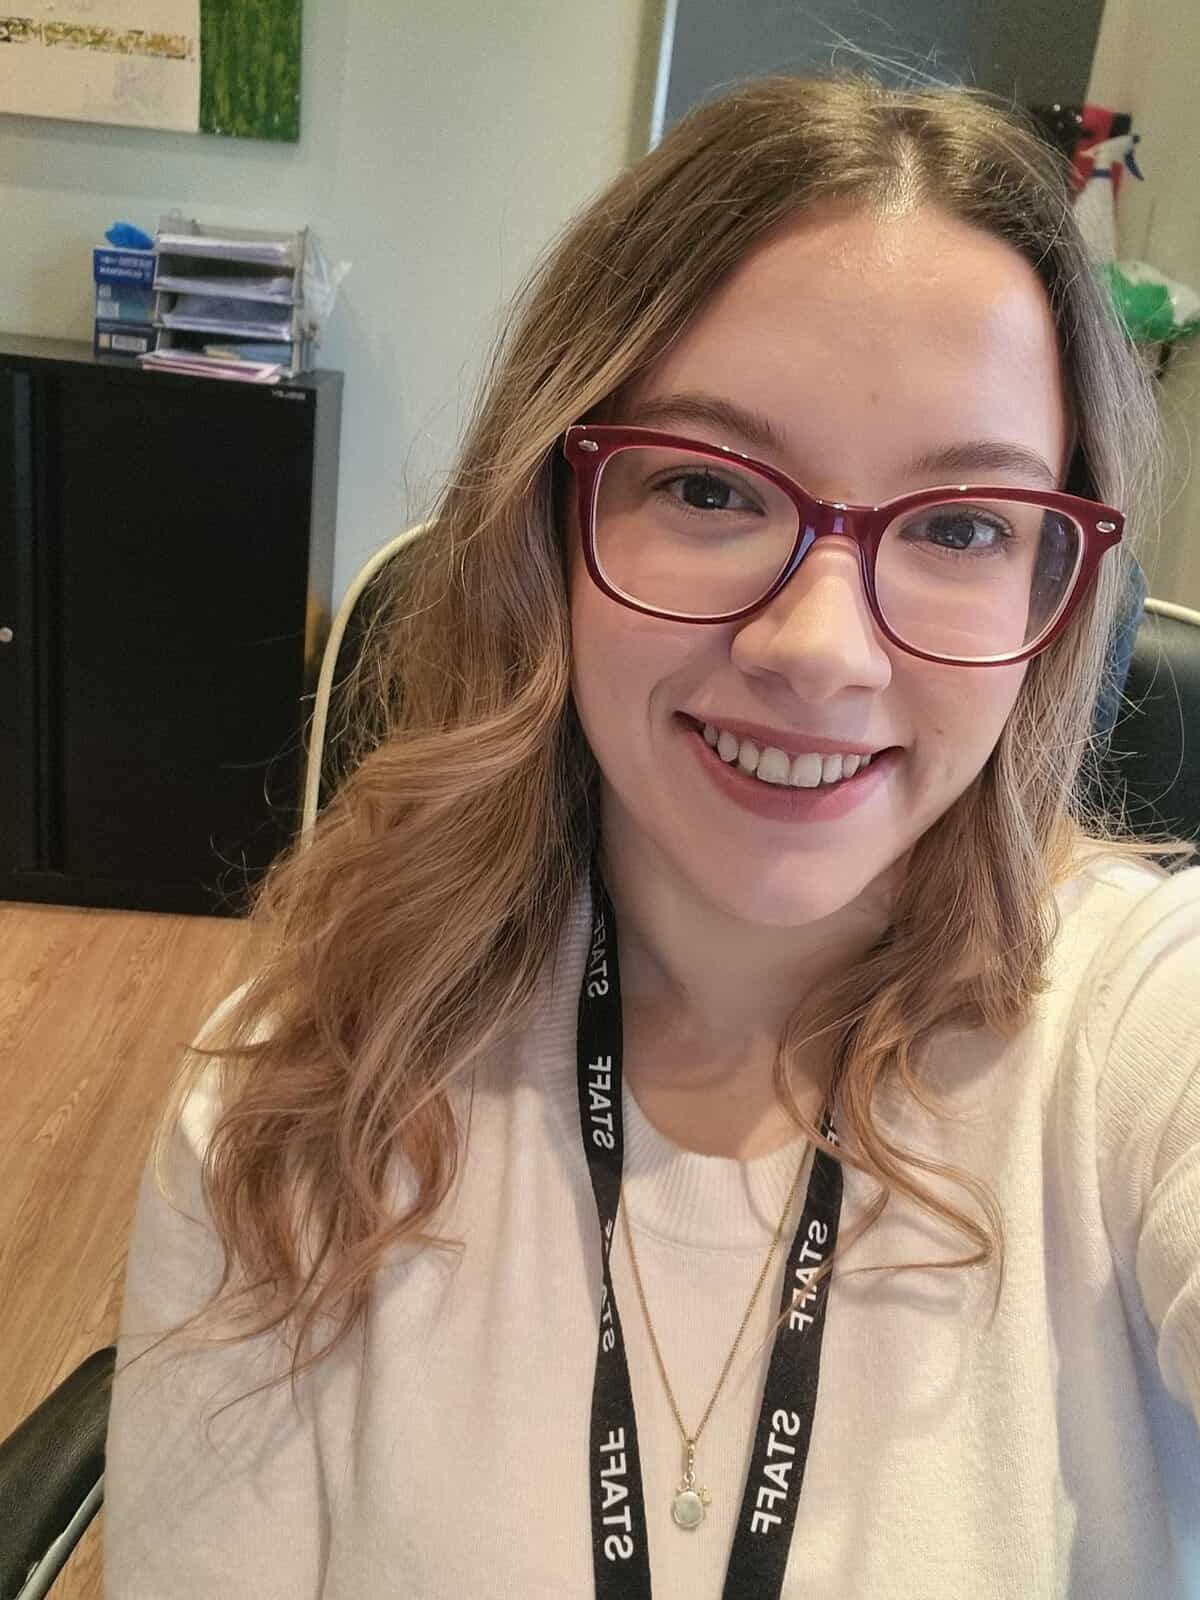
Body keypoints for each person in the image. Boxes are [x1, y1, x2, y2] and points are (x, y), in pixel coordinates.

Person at [103, 71, 1200, 1599]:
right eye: (705, 487)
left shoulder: (1140, 1034)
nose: (822, 650)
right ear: (547, 518)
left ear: (1053, 594)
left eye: (961, 526)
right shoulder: (302, 1101)